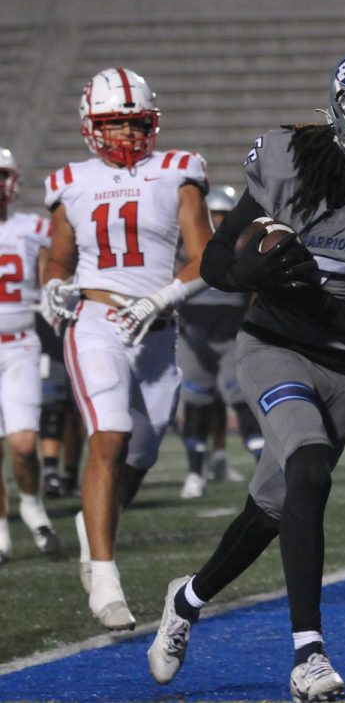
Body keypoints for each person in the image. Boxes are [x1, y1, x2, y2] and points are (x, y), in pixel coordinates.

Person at [147, 43, 345, 703]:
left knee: (273, 505)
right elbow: (214, 264)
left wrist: (314, 292)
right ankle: (308, 653)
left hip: (343, 370)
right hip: (273, 348)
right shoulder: (290, 163)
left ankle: (189, 598)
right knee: (309, 466)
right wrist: (248, 273)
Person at [41, 68, 214, 630]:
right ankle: (105, 578)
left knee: (139, 455)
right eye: (113, 126)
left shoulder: (178, 172)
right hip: (94, 319)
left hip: (157, 328)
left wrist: (162, 297)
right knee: (108, 435)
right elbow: (59, 257)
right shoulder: (71, 181)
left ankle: (95, 526)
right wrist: (51, 286)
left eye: (135, 124)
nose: (125, 136)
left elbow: (203, 256)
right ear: (92, 128)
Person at [175, 185, 263, 499]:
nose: (219, 221)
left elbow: (256, 288)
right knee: (196, 404)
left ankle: (264, 470)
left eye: (224, 215)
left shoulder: (245, 245)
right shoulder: (185, 245)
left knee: (243, 400)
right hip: (193, 334)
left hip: (231, 334)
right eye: (214, 215)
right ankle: (196, 473)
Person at [0, 147, 60, 564]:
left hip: (20, 343)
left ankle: (31, 502)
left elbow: (54, 275)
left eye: (2, 175)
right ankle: (0, 527)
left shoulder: (35, 227)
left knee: (22, 444)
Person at [37, 311, 85, 498]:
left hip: (80, 338)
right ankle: (50, 471)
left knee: (76, 414)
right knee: (52, 408)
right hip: (48, 338)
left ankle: (70, 475)